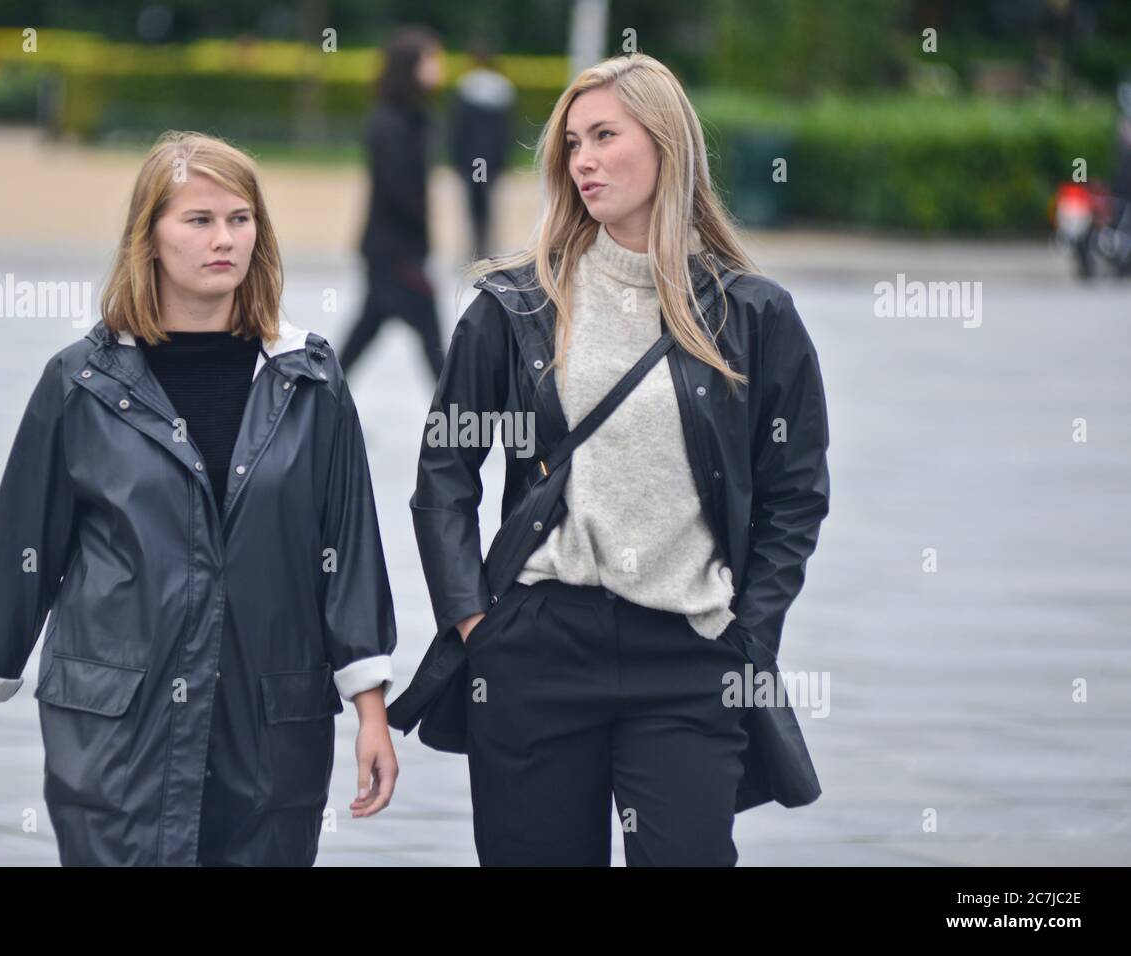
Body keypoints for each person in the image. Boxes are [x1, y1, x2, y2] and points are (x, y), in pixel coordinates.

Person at [393, 53, 831, 866]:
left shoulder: (754, 314)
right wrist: (472, 620)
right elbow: (444, 478)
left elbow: (795, 493)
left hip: (690, 654)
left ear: (667, 143)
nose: (582, 159)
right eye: (571, 144)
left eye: (604, 136)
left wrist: (750, 632)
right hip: (536, 644)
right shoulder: (514, 304)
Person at [0, 131, 399, 867]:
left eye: (240, 219)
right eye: (199, 220)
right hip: (117, 730)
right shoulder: (80, 383)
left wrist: (372, 709)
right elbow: (20, 560)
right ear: (148, 237)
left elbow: (349, 552)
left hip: (268, 728)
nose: (225, 239)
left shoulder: (309, 381)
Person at [340, 26, 446, 381]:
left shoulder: (411, 117)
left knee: (367, 329)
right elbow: (399, 188)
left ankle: (316, 396)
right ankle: (459, 419)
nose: (438, 67)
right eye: (432, 59)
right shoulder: (391, 123)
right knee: (432, 338)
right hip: (395, 251)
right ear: (411, 65)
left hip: (395, 250)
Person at [449, 38, 516, 258]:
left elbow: (458, 129)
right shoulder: (502, 88)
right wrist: (505, 158)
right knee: (489, 203)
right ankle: (487, 248)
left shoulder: (466, 87)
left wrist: (455, 160)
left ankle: (475, 248)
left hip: (471, 158)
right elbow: (506, 130)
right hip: (492, 157)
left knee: (472, 204)